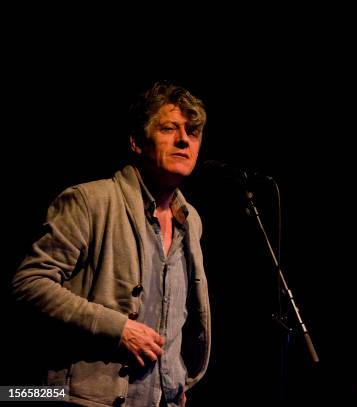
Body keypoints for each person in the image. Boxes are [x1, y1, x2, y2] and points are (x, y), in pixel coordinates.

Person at [12, 81, 211, 407]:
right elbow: (29, 283)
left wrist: (176, 377)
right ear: (137, 142)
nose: (183, 140)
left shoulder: (191, 221)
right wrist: (118, 328)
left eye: (192, 132)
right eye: (169, 129)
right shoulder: (90, 201)